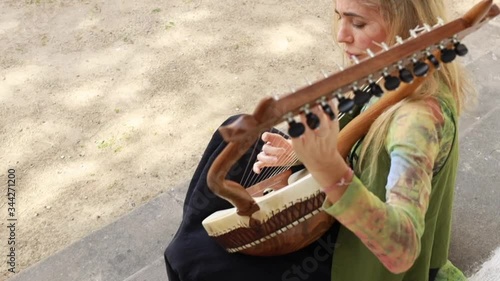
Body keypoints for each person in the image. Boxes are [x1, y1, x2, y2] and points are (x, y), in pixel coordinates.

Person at [164, 0, 476, 280]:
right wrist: (297, 155)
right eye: (339, 16)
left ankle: (190, 250)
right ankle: (193, 238)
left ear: (405, 26)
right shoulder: (388, 69)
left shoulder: (417, 121)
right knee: (232, 134)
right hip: (343, 193)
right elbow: (358, 140)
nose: (341, 35)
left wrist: (326, 167)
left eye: (358, 23)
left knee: (196, 258)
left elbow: (401, 250)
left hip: (354, 253)